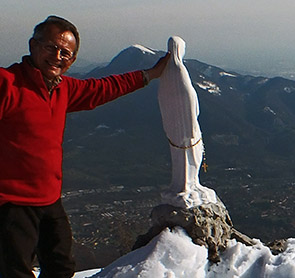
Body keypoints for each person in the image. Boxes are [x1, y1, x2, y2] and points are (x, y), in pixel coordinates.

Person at [0, 15, 169, 277]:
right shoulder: (7, 84)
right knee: (15, 271)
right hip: (11, 204)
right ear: (33, 45)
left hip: (49, 200)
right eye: (50, 47)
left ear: (72, 61)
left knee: (61, 267)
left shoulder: (62, 89)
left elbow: (104, 88)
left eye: (65, 53)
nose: (57, 56)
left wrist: (150, 75)